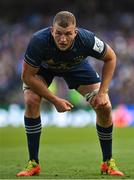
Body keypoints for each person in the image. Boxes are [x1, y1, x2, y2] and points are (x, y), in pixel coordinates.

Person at [17, 11, 124, 177]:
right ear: (52, 30)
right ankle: (33, 163)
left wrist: (103, 92)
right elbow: (27, 76)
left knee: (105, 107)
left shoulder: (87, 39)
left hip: (76, 67)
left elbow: (111, 58)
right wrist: (54, 100)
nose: (63, 39)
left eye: (68, 34)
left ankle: (107, 162)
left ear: (76, 32)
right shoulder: (38, 41)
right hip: (43, 70)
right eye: (58, 33)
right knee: (31, 100)